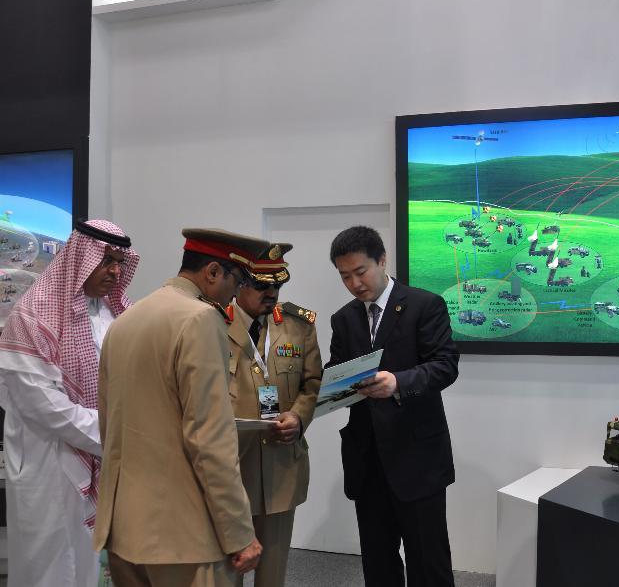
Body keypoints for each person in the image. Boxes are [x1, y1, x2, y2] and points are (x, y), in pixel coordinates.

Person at [93, 228, 267, 587]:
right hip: (184, 539)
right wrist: (238, 532)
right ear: (213, 272)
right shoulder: (200, 320)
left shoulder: (125, 320)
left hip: (126, 531)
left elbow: (109, 427)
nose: (239, 291)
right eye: (238, 279)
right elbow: (209, 440)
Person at [0, 220, 139, 587]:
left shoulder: (117, 315)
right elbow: (41, 405)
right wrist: (111, 432)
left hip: (103, 456)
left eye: (119, 261)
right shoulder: (34, 314)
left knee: (88, 564)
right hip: (49, 461)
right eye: (105, 259)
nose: (114, 270)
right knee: (49, 565)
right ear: (79, 257)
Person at [327, 226, 460, 587]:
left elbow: (445, 366)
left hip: (417, 457)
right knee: (378, 561)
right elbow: (336, 370)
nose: (354, 284)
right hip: (367, 461)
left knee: (427, 561)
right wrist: (332, 388)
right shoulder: (343, 319)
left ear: (382, 260)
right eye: (344, 276)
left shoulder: (424, 305)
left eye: (360, 272)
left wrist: (398, 382)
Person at [225, 241, 322, 587]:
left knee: (273, 569)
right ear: (239, 284)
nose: (272, 293)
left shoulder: (298, 325)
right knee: (227, 567)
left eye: (277, 285)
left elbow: (312, 384)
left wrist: (298, 417)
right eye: (262, 286)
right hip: (231, 465)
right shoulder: (211, 323)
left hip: (282, 464)